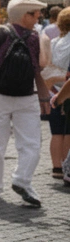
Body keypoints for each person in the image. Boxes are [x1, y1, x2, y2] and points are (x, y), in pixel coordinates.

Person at [0, 0, 52, 208]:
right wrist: (43, 96)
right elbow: (42, 66)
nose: (39, 17)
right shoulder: (37, 37)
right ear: (25, 15)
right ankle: (22, 179)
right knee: (31, 144)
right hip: (26, 96)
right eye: (35, 13)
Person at [46, 9, 70, 182]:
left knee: (56, 132)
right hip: (67, 88)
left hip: (54, 89)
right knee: (68, 132)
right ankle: (67, 166)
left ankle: (57, 167)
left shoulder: (54, 42)